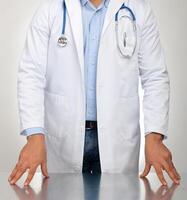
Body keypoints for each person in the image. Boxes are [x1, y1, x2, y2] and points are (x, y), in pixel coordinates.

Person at [8, 0, 180, 186]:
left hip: (117, 141)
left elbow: (154, 76)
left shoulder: (139, 9)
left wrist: (154, 136)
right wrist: (34, 135)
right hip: (62, 141)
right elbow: (31, 74)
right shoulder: (50, 9)